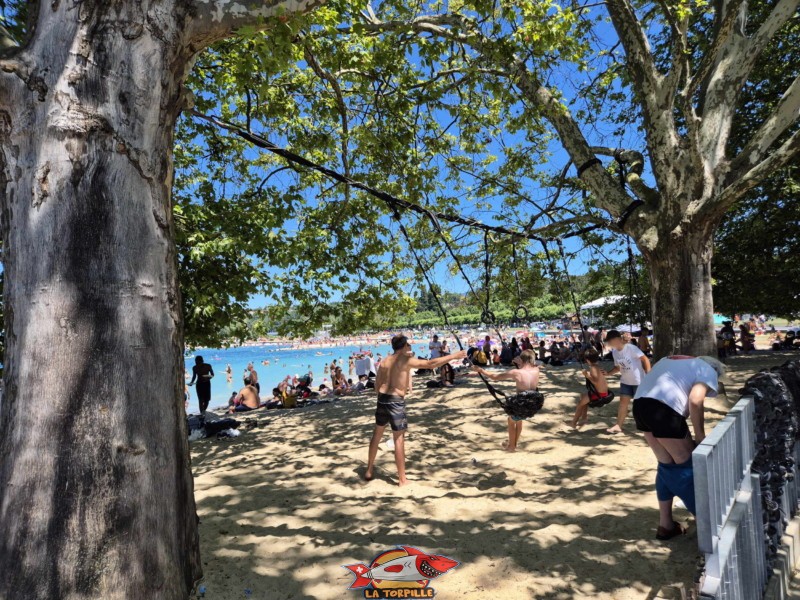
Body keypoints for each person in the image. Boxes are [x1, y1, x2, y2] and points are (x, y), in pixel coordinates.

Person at [632, 355, 724, 540]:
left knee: (666, 464)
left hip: (640, 406)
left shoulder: (670, 361)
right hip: (663, 410)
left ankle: (665, 524)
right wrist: (700, 436)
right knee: (687, 467)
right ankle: (706, 525)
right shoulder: (707, 369)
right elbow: (695, 400)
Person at [364, 335, 466, 486]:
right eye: (407, 345)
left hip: (382, 399)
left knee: (377, 435)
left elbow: (377, 385)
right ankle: (402, 480)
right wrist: (454, 356)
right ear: (404, 346)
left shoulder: (384, 361)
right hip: (395, 401)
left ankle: (369, 470)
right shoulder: (405, 360)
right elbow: (430, 364)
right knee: (399, 439)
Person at [472, 350, 540, 452]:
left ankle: (511, 447)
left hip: (522, 405)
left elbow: (494, 377)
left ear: (521, 359)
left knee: (511, 420)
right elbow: (527, 370)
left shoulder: (516, 372)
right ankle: (513, 443)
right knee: (518, 420)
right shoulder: (536, 369)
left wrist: (481, 370)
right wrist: (520, 363)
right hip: (533, 405)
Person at [604, 329, 652, 434]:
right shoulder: (615, 352)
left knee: (641, 405)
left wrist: (649, 374)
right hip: (625, 382)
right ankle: (618, 426)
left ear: (617, 339)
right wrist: (608, 373)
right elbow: (618, 368)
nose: (609, 343)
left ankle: (649, 426)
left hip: (638, 382)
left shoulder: (630, 348)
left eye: (610, 341)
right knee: (623, 403)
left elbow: (645, 359)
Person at [567, 348, 609, 429]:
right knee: (583, 396)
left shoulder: (593, 368)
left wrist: (587, 375)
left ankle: (573, 423)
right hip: (602, 392)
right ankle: (584, 418)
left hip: (600, 394)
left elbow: (595, 382)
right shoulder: (596, 366)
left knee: (580, 404)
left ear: (587, 360)